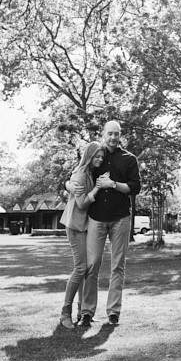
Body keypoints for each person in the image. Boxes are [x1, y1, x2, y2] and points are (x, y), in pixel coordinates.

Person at [77, 120, 141, 327]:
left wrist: (112, 184)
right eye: (109, 133)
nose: (113, 137)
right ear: (103, 134)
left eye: (117, 133)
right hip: (96, 218)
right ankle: (87, 311)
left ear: (120, 135)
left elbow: (135, 188)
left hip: (121, 218)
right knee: (92, 265)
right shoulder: (96, 155)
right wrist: (69, 185)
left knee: (118, 266)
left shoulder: (129, 159)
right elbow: (78, 173)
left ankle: (113, 312)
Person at [58, 141, 105, 329]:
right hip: (75, 226)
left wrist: (67, 184)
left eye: (102, 157)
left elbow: (71, 183)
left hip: (84, 226)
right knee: (80, 268)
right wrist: (97, 189)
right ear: (89, 156)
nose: (100, 159)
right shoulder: (80, 175)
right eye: (97, 156)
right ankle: (65, 313)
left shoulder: (88, 174)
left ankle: (82, 312)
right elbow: (82, 204)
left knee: (86, 269)